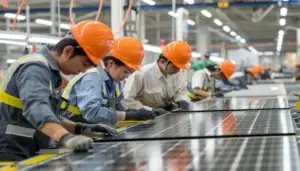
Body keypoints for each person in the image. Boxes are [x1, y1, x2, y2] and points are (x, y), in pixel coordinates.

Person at [0, 20, 117, 161]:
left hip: (27, 145)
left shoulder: (50, 72)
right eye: (85, 63)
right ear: (68, 51)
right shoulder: (35, 68)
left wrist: (81, 128)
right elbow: (36, 108)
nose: (84, 70)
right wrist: (65, 137)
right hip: (11, 150)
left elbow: (49, 113)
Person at [60, 37, 156, 125]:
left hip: (94, 127)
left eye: (129, 74)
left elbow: (120, 110)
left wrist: (142, 112)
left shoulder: (115, 82)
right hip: (73, 128)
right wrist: (130, 116)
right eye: (125, 72)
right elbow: (92, 113)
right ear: (111, 64)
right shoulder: (92, 78)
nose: (126, 77)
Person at [123, 41, 191, 116]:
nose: (178, 70)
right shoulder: (141, 75)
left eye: (180, 68)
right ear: (162, 62)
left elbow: (181, 91)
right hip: (146, 119)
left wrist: (182, 99)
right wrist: (150, 110)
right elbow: (127, 100)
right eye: (174, 67)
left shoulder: (177, 73)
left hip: (168, 115)